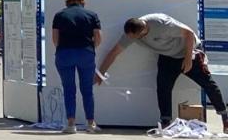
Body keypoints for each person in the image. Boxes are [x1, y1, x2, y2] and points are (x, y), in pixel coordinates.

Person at [97, 13, 228, 131]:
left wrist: (188, 59)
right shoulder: (131, 33)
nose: (133, 40)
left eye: (136, 37)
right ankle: (166, 121)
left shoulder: (161, 23)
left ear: (143, 31)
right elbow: (114, 52)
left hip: (189, 52)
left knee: (208, 84)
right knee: (163, 88)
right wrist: (100, 73)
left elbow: (188, 34)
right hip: (168, 57)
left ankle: (224, 116)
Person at [52, 0, 102, 134]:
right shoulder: (92, 15)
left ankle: (71, 124)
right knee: (87, 90)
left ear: (67, 1)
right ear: (83, 1)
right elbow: (98, 38)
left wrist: (63, 48)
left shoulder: (59, 15)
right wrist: (90, 48)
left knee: (69, 89)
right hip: (86, 54)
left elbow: (55, 39)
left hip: (64, 53)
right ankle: (91, 123)